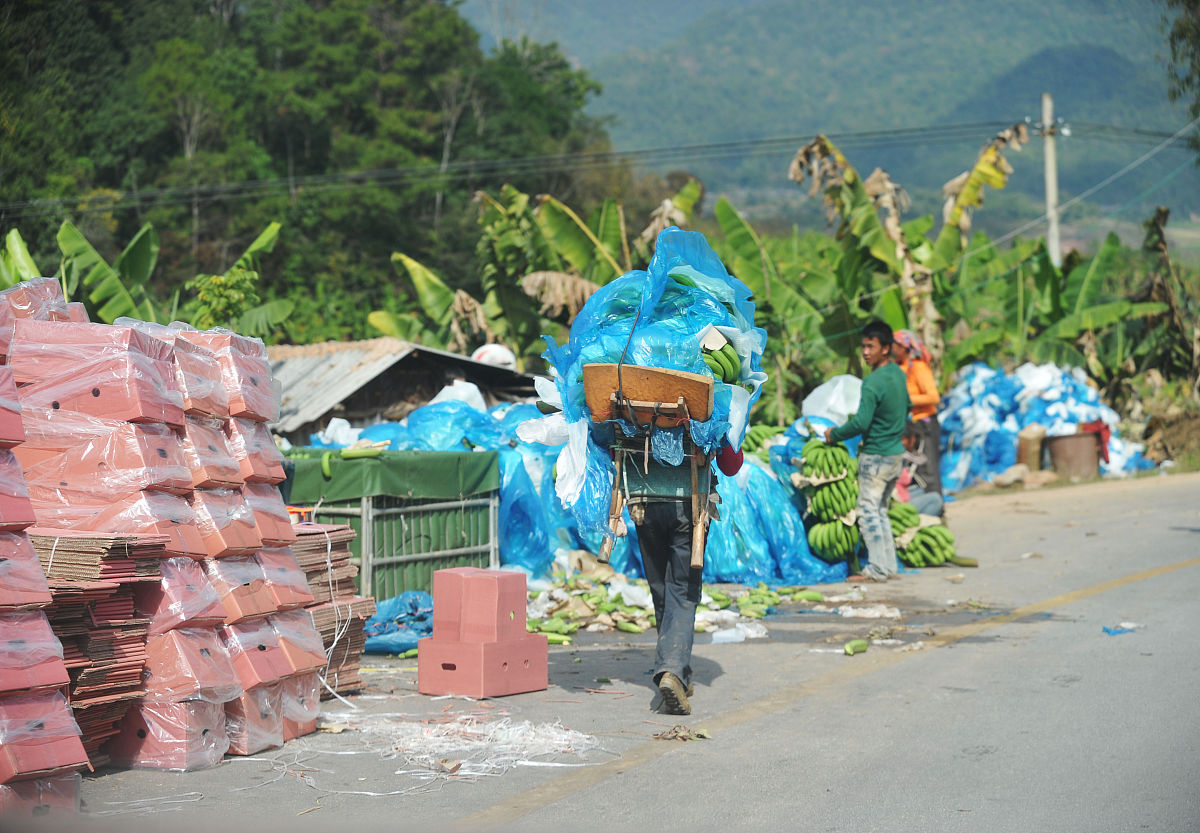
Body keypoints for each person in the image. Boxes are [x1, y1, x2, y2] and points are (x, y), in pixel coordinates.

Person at [598, 423, 743, 716]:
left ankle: (678, 669)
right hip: (687, 504)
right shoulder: (715, 401)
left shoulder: (632, 403)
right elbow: (731, 465)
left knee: (661, 587)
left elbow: (607, 443)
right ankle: (672, 670)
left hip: (643, 502)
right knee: (682, 589)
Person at [824, 320, 910, 581]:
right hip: (895, 454)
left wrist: (834, 435)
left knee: (868, 511)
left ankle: (877, 568)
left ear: (885, 348)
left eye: (871, 346)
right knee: (881, 511)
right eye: (863, 346)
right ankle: (888, 566)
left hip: (877, 456)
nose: (865, 352)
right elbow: (907, 406)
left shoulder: (872, 382)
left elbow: (861, 422)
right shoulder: (898, 374)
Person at [892, 329, 943, 501]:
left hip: (924, 423)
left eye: (895, 346)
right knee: (917, 468)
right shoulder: (899, 368)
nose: (892, 349)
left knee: (929, 467)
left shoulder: (918, 368)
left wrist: (907, 399)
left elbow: (933, 397)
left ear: (904, 347)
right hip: (909, 425)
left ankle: (936, 505)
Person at [897, 422, 944, 517]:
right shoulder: (897, 456)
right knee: (936, 499)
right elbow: (905, 479)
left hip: (899, 494)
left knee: (920, 490)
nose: (914, 441)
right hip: (898, 500)